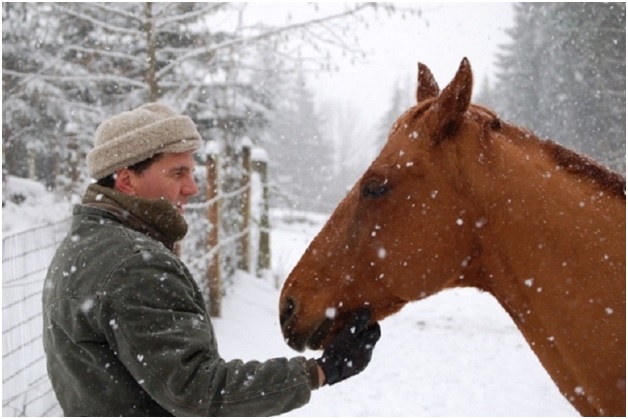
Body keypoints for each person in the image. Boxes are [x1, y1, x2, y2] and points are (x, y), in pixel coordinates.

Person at [42, 103, 381, 416]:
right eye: (177, 173)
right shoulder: (134, 265)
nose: (192, 188)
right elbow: (197, 390)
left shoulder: (84, 244)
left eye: (192, 172)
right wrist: (322, 370)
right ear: (127, 180)